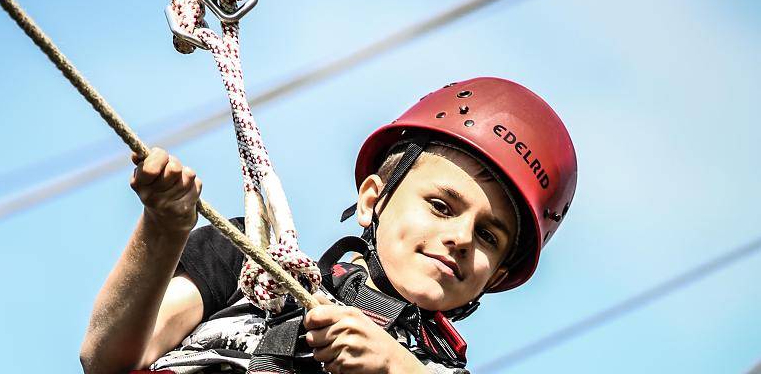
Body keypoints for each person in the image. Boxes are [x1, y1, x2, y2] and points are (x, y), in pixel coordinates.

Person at [80, 77, 578, 374]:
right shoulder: (254, 264)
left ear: (496, 276)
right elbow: (108, 357)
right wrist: (162, 230)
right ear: (372, 200)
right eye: (442, 206)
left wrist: (395, 366)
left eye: (488, 236)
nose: (461, 238)